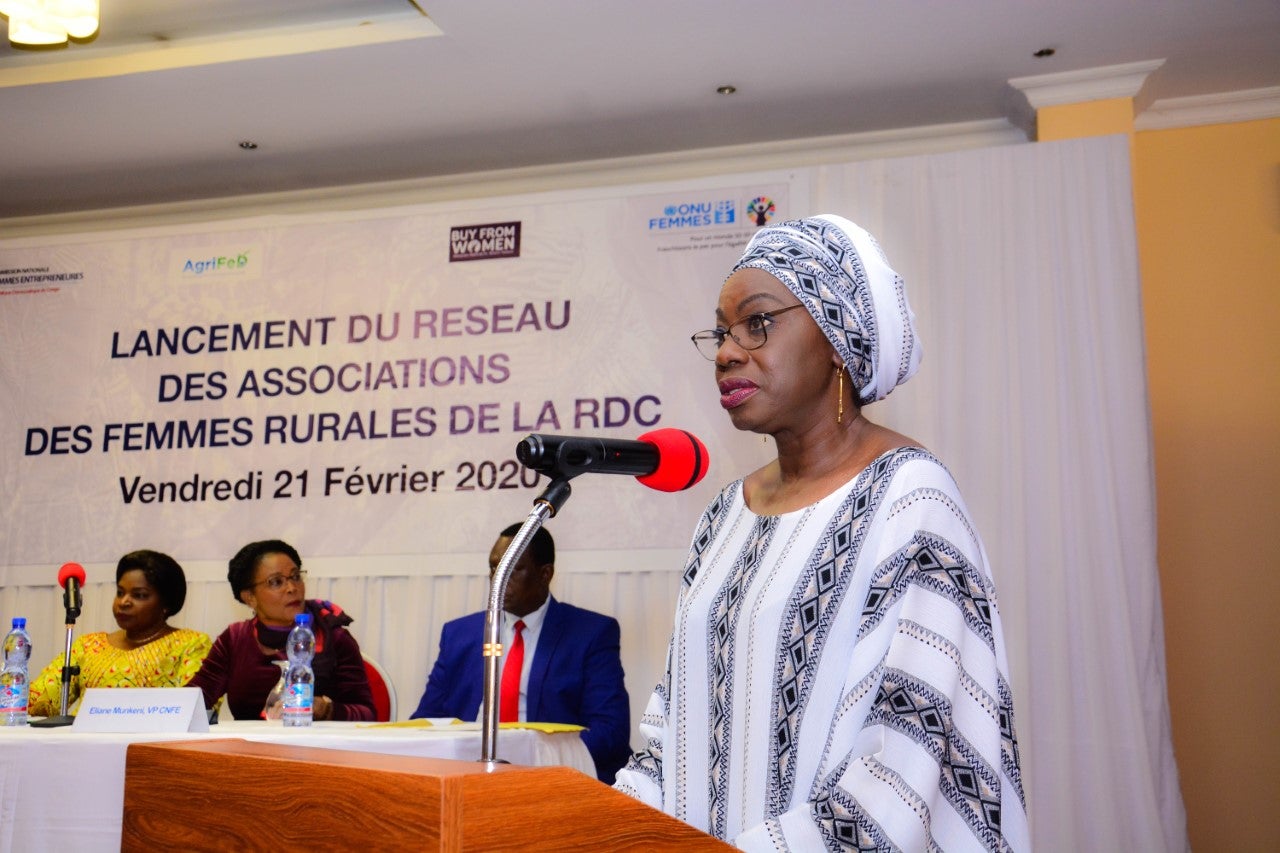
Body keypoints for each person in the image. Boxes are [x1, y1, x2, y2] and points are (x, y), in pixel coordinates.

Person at [613, 215, 1030, 850]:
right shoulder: (724, 517)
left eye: (758, 323)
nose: (727, 352)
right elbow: (675, 730)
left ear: (836, 337)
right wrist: (607, 826)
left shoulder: (910, 501)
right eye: (723, 332)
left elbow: (905, 759)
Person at [410, 523, 631, 784]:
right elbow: (425, 722)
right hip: (466, 776)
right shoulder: (460, 634)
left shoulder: (590, 634)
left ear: (545, 573)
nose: (498, 579)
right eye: (494, 568)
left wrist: (531, 760)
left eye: (512, 569)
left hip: (549, 779)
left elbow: (610, 732)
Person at [187, 539, 375, 721]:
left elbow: (367, 713)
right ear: (250, 597)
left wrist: (325, 710)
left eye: (295, 577)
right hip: (250, 748)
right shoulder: (234, 639)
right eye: (276, 582)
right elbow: (193, 700)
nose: (292, 588)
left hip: (318, 749)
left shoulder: (334, 637)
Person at [28, 550, 211, 716]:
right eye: (120, 592)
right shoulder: (89, 645)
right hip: (83, 747)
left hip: (150, 748)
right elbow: (38, 702)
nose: (124, 602)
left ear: (166, 604)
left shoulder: (190, 644)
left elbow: (195, 709)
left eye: (139, 595)